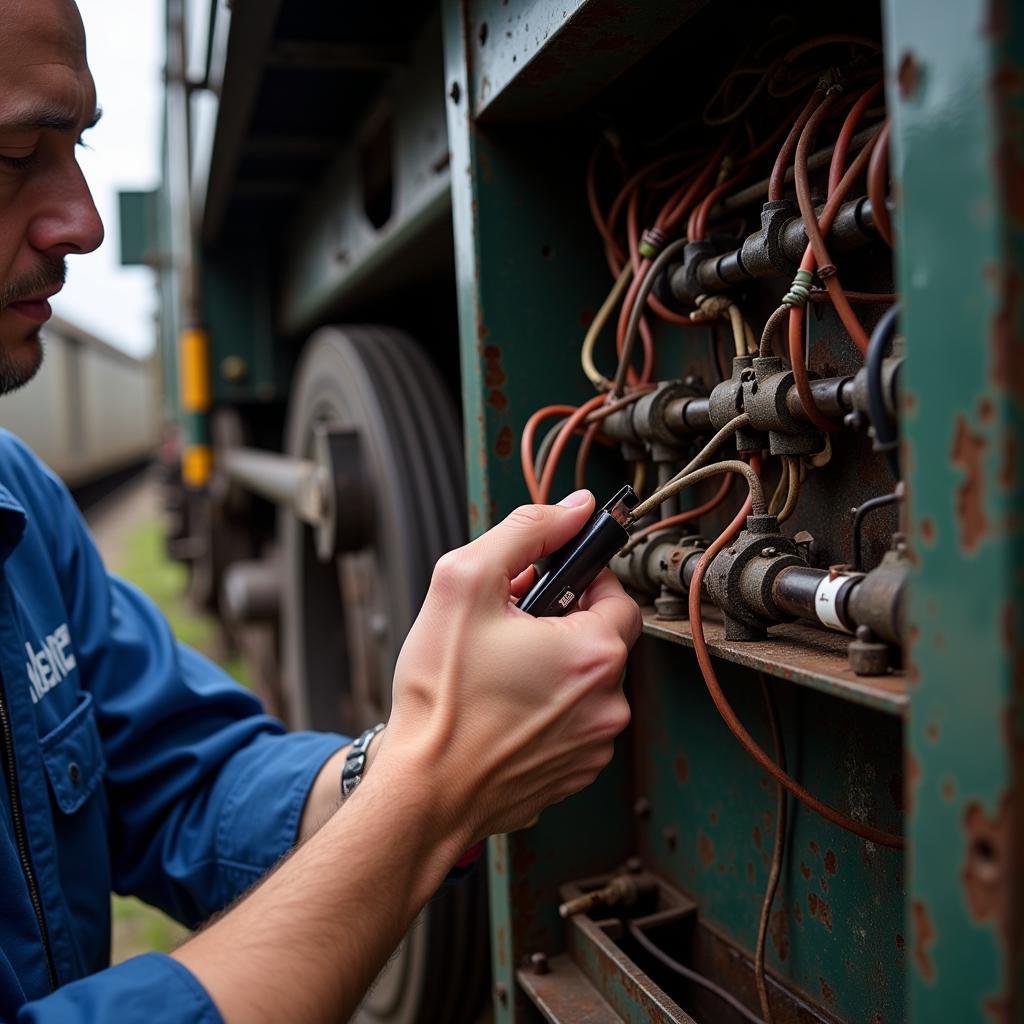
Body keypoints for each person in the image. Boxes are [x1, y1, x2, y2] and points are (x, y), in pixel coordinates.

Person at [0, 1, 641, 1021]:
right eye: (15, 153)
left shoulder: (17, 500)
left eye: (74, 148)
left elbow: (185, 779)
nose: (85, 219)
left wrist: (408, 750)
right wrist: (431, 791)